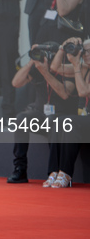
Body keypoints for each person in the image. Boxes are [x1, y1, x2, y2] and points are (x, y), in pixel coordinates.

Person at [6, 42, 78, 184]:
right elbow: (16, 83)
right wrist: (31, 62)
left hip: (61, 116)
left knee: (53, 121)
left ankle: (55, 171)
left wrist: (46, 72)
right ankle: (20, 169)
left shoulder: (67, 69)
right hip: (40, 115)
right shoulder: (38, 67)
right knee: (21, 118)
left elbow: (65, 94)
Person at [48, 38, 90, 188]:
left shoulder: (81, 68)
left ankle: (66, 173)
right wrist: (62, 48)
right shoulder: (84, 67)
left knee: (69, 121)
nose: (85, 55)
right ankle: (54, 171)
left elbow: (84, 91)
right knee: (57, 120)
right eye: (84, 51)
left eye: (88, 51)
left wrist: (77, 67)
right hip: (85, 120)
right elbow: (55, 67)